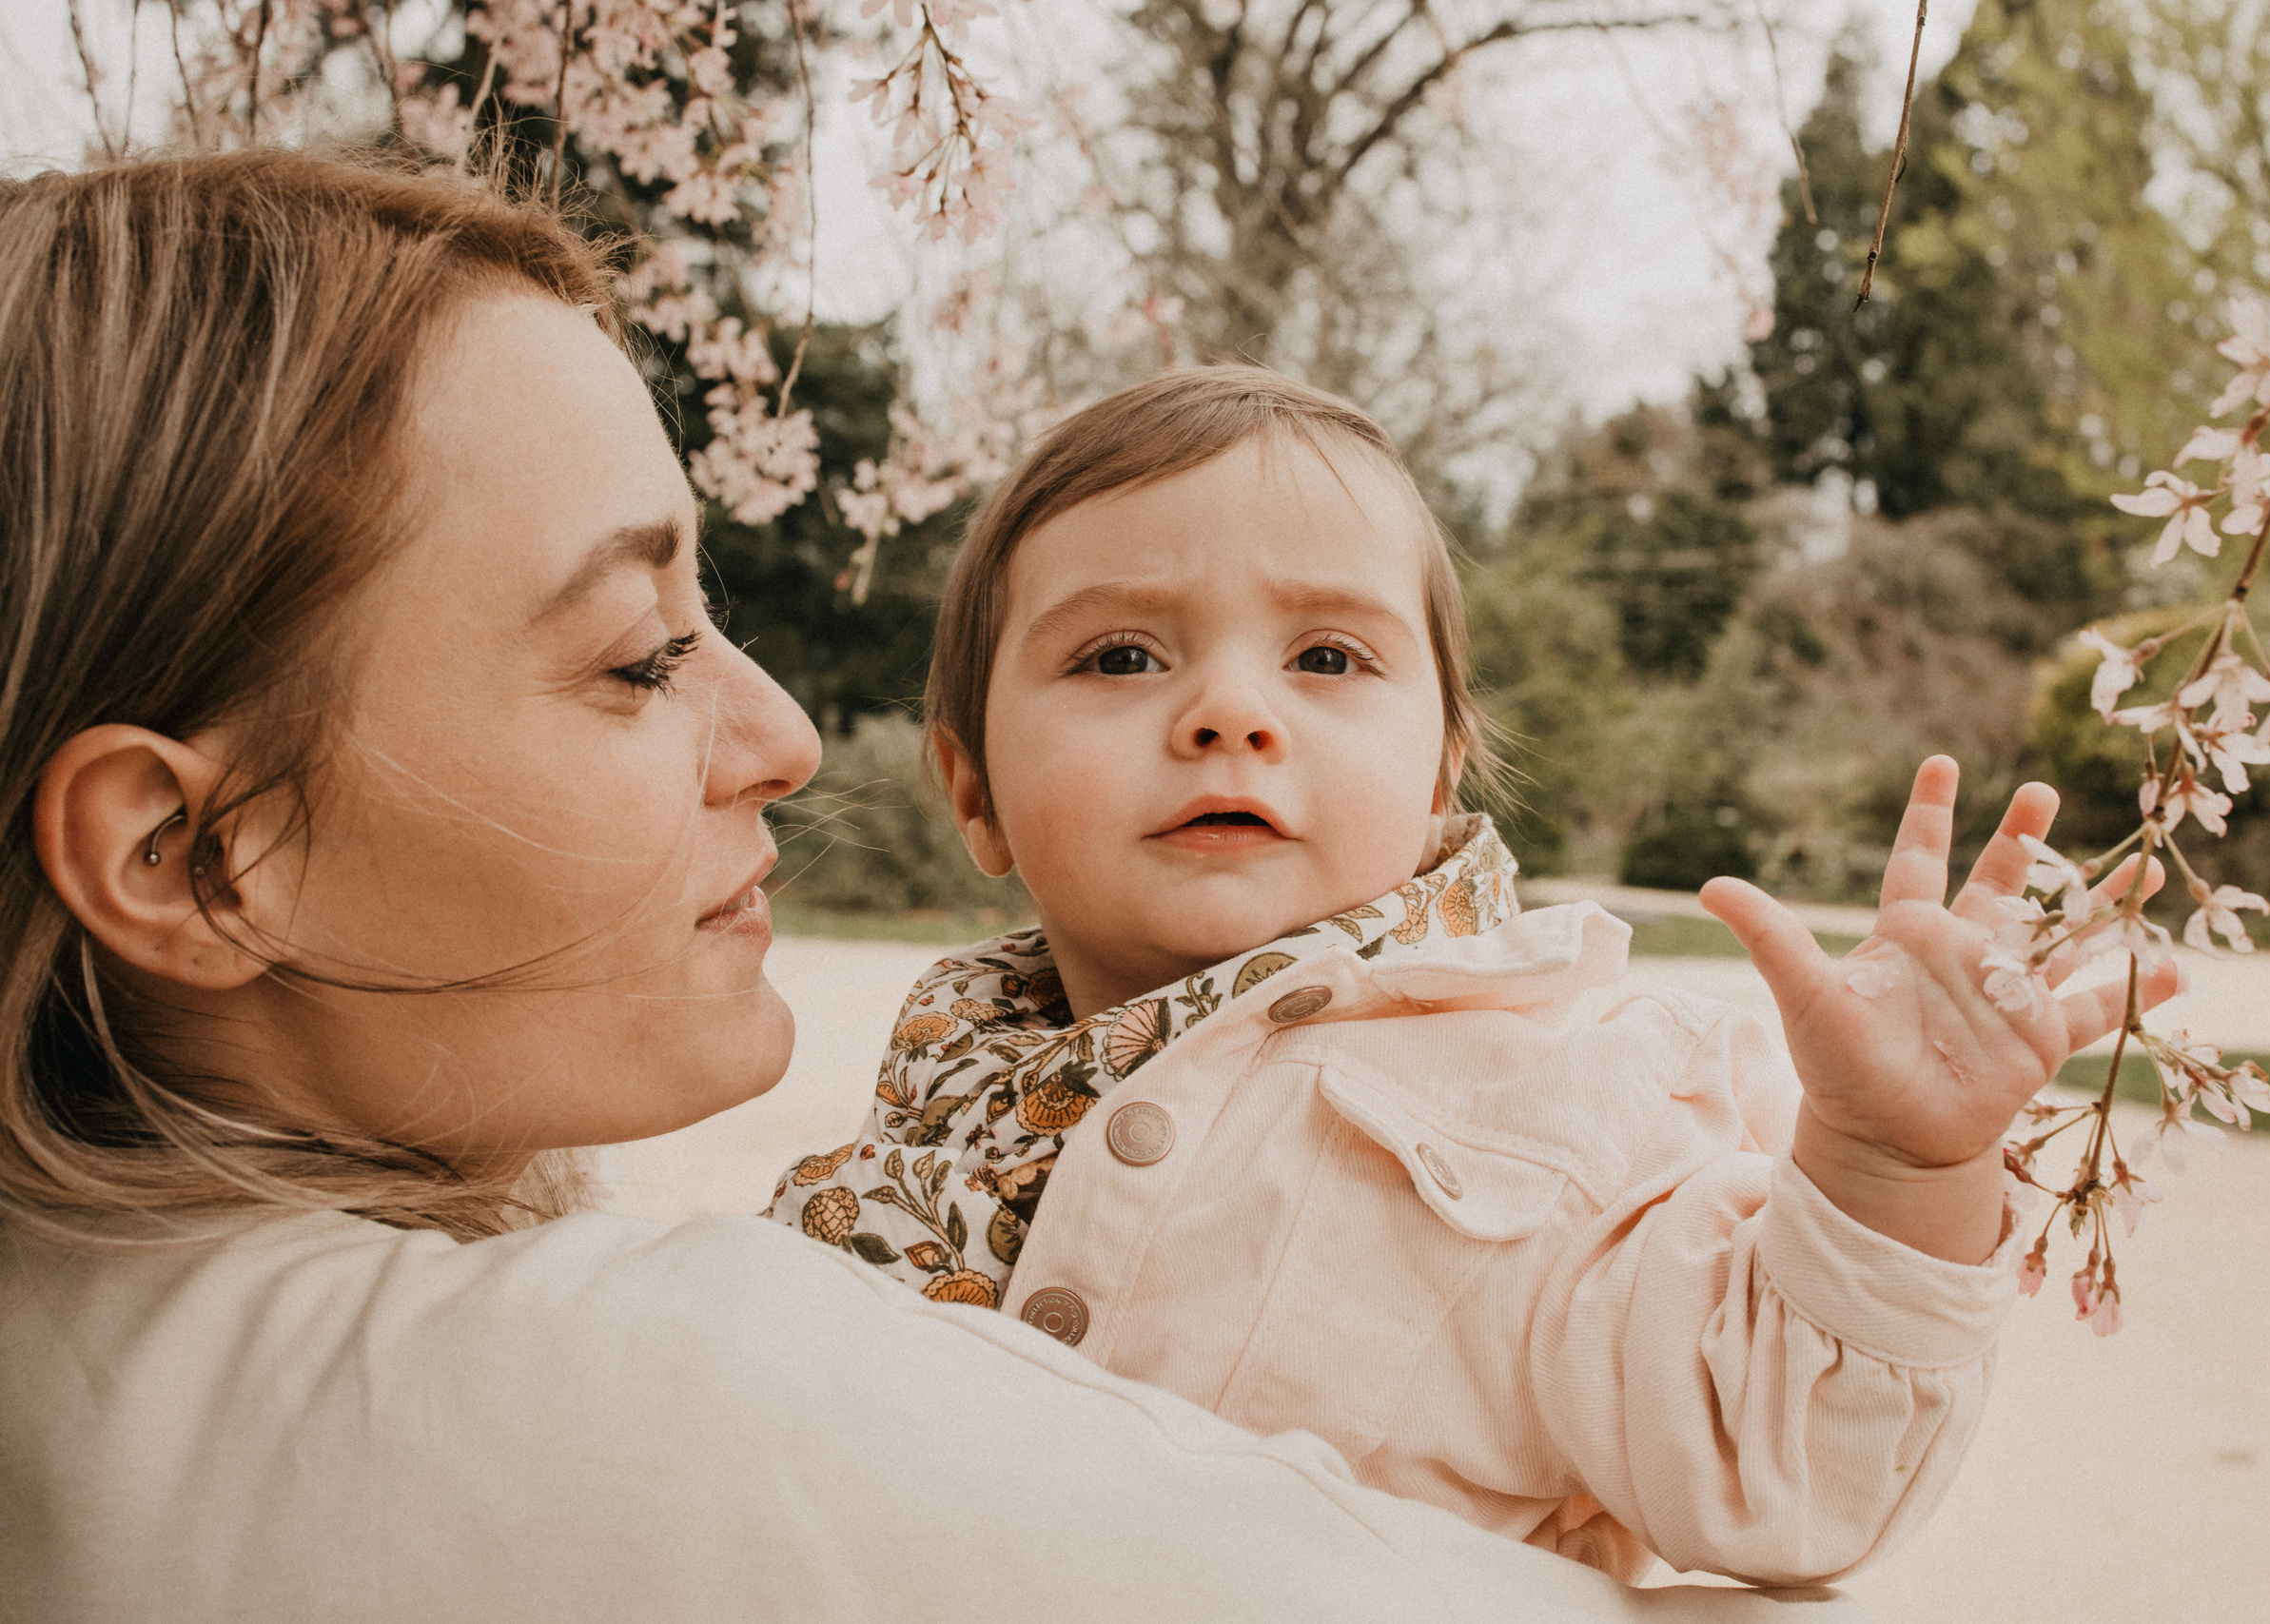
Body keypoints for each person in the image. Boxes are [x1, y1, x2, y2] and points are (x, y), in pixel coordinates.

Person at [0, 150, 1852, 1622]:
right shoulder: (673, 1407)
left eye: (1330, 658)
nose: (789, 735)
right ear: (191, 854)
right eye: (641, 655)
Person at [771, 369, 2179, 1586]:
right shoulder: (916, 1136)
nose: (1230, 713)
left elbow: (1788, 1475)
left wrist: (1893, 1170)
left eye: (1328, 656)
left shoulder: (1567, 1098)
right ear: (974, 792)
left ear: (1440, 767)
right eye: (1121, 654)